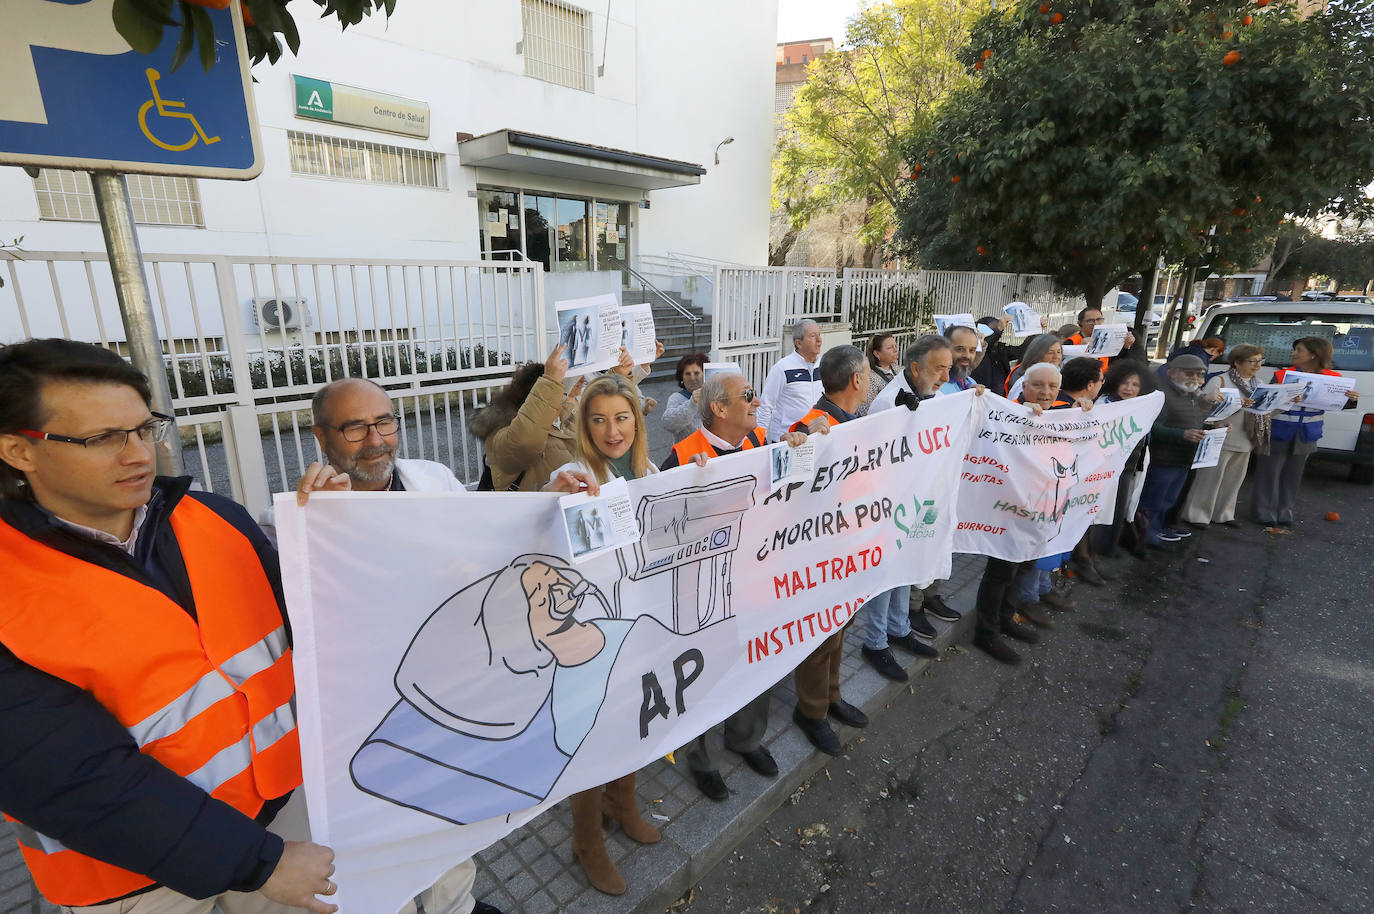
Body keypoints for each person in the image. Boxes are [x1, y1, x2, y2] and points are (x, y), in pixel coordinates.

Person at [0, 339, 338, 914]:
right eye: (101, 438)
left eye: (143, 429)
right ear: (18, 451)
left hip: (283, 812)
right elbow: (71, 778)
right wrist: (255, 862)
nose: (138, 455)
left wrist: (336, 541)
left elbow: (313, 629)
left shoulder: (214, 518)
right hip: (130, 878)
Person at [292, 378, 508, 914]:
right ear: (322, 436)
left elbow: (489, 545)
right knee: (383, 834)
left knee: (451, 825)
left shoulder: (431, 480)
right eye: (354, 427)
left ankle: (454, 906)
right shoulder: (301, 515)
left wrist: (557, 490)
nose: (376, 440)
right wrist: (320, 529)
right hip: (371, 713)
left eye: (385, 421)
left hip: (450, 692)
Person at [539, 374, 663, 897]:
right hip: (591, 632)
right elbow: (535, 540)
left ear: (637, 419)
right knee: (589, 736)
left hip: (638, 618)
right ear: (584, 427)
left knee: (633, 721)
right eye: (599, 419)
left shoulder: (649, 469)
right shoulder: (571, 472)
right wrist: (550, 498)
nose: (613, 430)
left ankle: (623, 802)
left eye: (622, 417)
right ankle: (587, 840)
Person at [659, 371, 809, 798]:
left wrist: (799, 449)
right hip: (705, 592)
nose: (757, 401)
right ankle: (703, 758)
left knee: (756, 661)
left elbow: (794, 494)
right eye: (748, 395)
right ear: (719, 409)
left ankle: (746, 739)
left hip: (756, 583)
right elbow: (662, 533)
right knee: (708, 674)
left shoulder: (761, 443)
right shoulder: (682, 457)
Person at [783, 346, 874, 754]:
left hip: (847, 547)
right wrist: (800, 445)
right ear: (857, 379)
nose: (870, 380)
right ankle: (812, 711)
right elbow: (787, 490)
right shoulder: (809, 426)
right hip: (817, 556)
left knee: (839, 629)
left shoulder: (853, 422)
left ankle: (832, 696)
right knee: (819, 637)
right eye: (869, 374)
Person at [861, 336, 957, 680]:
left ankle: (898, 628)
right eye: (939, 369)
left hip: (920, 497)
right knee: (886, 573)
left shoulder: (940, 396)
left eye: (949, 368)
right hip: (890, 503)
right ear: (915, 368)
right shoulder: (888, 403)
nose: (946, 376)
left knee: (907, 564)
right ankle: (874, 641)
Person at [970, 364, 1053, 665]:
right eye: (1039, 385)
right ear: (1024, 387)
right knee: (1001, 572)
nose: (1045, 392)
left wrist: (1084, 409)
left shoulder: (1061, 415)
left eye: (1052, 387)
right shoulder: (1010, 414)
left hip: (1039, 510)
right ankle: (986, 632)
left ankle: (1006, 617)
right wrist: (1021, 411)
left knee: (1023, 568)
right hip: (1008, 511)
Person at [1251, 337, 1359, 531]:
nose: (1293, 353)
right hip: (1278, 430)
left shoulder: (1333, 378)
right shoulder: (1282, 375)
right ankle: (1263, 511)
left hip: (1308, 432)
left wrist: (1352, 400)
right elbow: (1266, 402)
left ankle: (1284, 510)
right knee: (1269, 473)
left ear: (1313, 354)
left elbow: (1337, 405)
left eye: (1299, 350)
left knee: (1294, 474)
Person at [1180, 345, 1269, 528]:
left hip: (1247, 438)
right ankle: (1197, 515)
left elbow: (1266, 412)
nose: (1257, 365)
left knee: (1233, 480)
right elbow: (1202, 409)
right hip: (1221, 436)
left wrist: (1285, 402)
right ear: (1237, 362)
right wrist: (1227, 413)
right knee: (1209, 479)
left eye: (1260, 361)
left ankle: (1223, 514)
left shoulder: (1259, 384)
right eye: (1253, 361)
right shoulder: (1220, 381)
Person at [1137, 355, 1212, 547]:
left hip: (1183, 458)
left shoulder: (1192, 394)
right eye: (1189, 373)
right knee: (1154, 499)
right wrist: (1182, 434)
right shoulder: (1162, 395)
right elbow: (1153, 427)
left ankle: (1160, 528)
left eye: (1200, 374)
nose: (1195, 378)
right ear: (1172, 372)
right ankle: (1146, 534)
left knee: (1169, 498)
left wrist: (1216, 427)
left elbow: (1195, 420)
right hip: (1164, 459)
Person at [1092, 361, 1153, 558]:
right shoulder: (1105, 404)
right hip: (1106, 467)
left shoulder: (1142, 405)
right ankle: (1094, 552)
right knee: (1101, 512)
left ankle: (1108, 549)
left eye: (1135, 385)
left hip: (1129, 466)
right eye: (1125, 383)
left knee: (1119, 510)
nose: (1129, 388)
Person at [757, 319, 823, 441]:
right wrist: (760, 440)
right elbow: (766, 405)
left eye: (819, 335)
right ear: (798, 343)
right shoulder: (782, 368)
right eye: (813, 336)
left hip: (815, 438)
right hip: (787, 440)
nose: (819, 340)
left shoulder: (825, 366)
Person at [1062, 306, 1135, 372]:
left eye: (1099, 319)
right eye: (1090, 321)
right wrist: (1080, 350)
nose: (1095, 323)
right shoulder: (1071, 341)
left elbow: (1116, 364)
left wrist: (1126, 346)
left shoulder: (1106, 339)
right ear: (1080, 323)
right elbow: (1064, 367)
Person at [1004, 333, 1064, 401]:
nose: (1056, 357)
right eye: (1050, 352)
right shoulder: (1024, 380)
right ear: (1037, 355)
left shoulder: (1059, 374)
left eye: (1059, 352)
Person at [661, 353, 707, 439]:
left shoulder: (713, 395)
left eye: (696, 373)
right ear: (681, 377)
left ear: (705, 374)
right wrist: (692, 404)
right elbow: (667, 423)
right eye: (687, 374)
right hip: (689, 451)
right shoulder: (676, 398)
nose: (692, 378)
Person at [859, 332, 901, 415]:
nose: (896, 350)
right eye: (889, 348)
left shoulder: (896, 368)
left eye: (895, 346)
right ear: (877, 353)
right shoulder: (870, 378)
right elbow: (866, 411)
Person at [940, 324, 983, 394]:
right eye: (960, 349)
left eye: (972, 350)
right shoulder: (935, 387)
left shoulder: (972, 383)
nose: (967, 356)